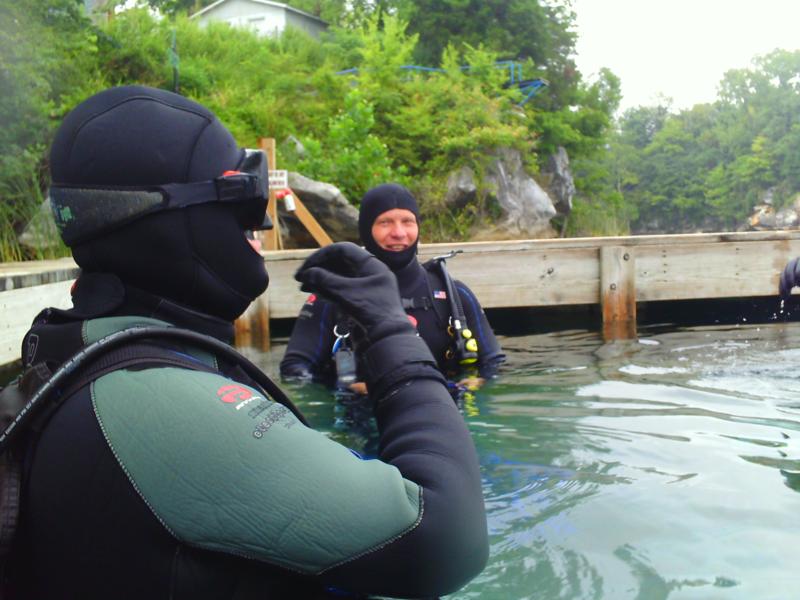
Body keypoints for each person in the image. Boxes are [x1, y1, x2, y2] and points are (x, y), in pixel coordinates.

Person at [6, 86, 488, 599]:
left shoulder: (82, 358)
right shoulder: (159, 405)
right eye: (243, 197)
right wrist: (391, 330)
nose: (259, 224)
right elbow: (445, 541)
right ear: (175, 220)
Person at [280, 183, 505, 394]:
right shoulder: (336, 293)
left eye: (407, 221)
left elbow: (494, 363)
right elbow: (294, 370)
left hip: (446, 413)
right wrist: (344, 389)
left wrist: (478, 382)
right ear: (367, 229)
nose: (399, 233)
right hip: (362, 420)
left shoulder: (454, 295)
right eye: (385, 222)